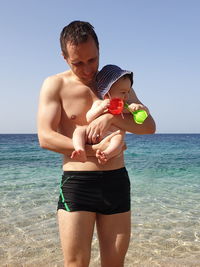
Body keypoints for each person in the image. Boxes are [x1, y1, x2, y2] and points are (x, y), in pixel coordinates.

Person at [37, 20, 156, 267]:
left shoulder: (115, 83)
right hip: (78, 183)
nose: (88, 69)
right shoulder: (55, 85)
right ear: (64, 57)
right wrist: (93, 150)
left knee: (114, 263)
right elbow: (45, 136)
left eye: (92, 60)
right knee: (76, 264)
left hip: (116, 181)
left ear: (99, 49)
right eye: (77, 63)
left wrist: (112, 117)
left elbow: (148, 126)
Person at [71, 64, 150, 164]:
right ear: (107, 91)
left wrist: (140, 108)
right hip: (92, 134)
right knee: (79, 130)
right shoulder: (99, 103)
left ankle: (106, 154)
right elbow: (89, 118)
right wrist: (101, 108)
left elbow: (145, 114)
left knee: (119, 140)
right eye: (123, 92)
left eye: (128, 92)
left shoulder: (126, 107)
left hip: (113, 135)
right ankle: (80, 149)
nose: (127, 96)